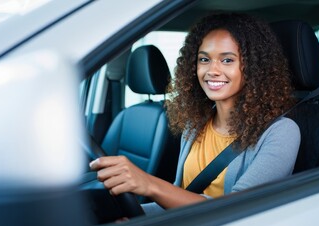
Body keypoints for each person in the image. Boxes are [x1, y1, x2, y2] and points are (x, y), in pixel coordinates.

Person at [89, 12, 301, 214]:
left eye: (227, 60)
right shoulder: (196, 123)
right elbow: (181, 196)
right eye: (204, 59)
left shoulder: (282, 132)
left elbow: (236, 210)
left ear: (254, 68)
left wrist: (149, 184)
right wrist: (134, 216)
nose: (212, 70)